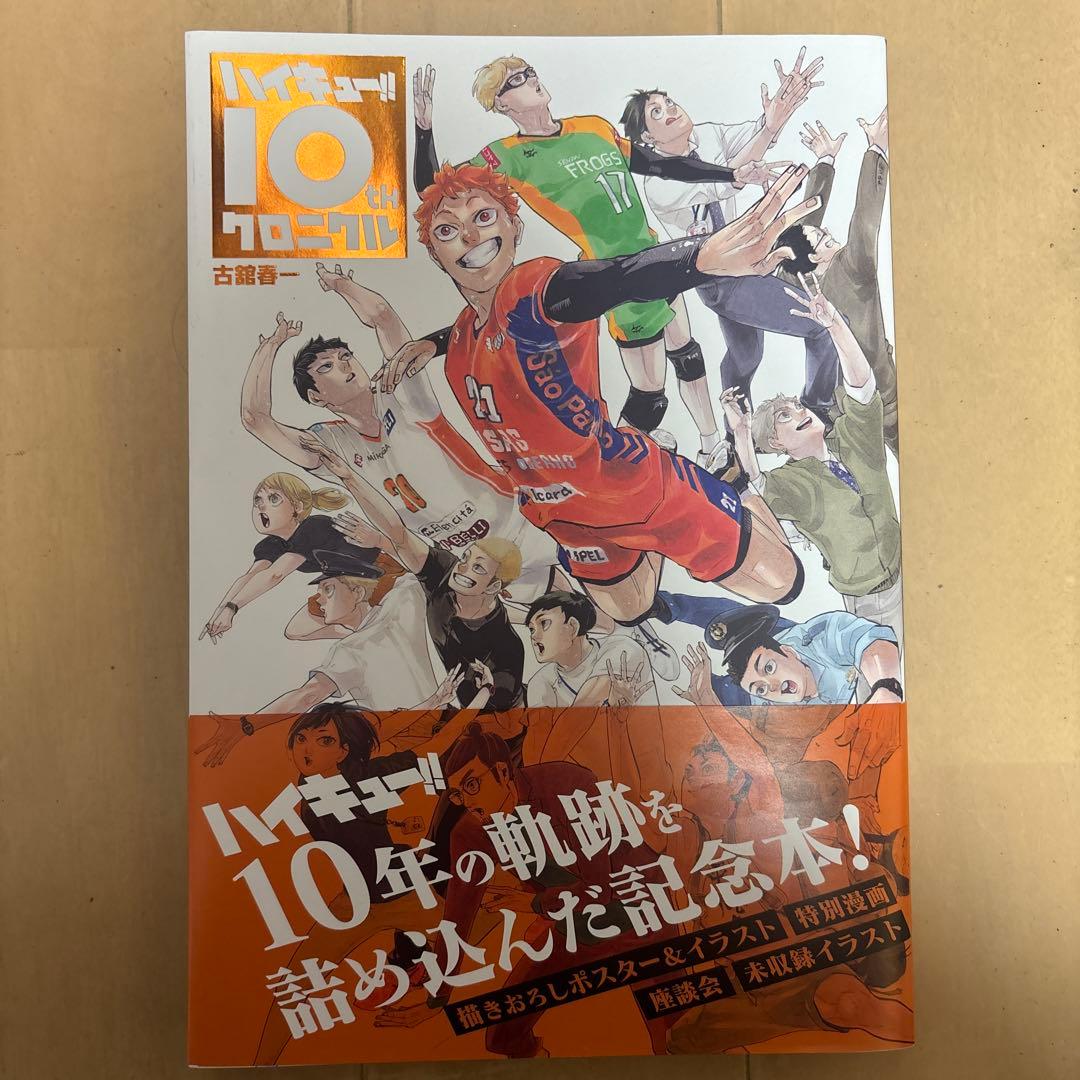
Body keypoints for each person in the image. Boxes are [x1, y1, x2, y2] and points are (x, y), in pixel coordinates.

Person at [376, 161, 819, 627]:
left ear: (515, 228)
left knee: (783, 585)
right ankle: (661, 525)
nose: (469, 236)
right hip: (566, 515)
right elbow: (487, 335)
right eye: (448, 230)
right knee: (631, 610)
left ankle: (733, 485)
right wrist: (432, 342)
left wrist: (698, 257)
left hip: (638, 488)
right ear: (435, 255)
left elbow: (617, 278)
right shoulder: (462, 337)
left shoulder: (534, 290)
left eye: (483, 217)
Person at [410, 60, 790, 458]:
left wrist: (730, 175)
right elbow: (437, 192)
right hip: (615, 278)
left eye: (529, 71)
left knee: (688, 354)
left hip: (655, 255)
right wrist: (423, 130)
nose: (531, 79)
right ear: (502, 104)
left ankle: (710, 446)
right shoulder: (508, 156)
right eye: (516, 80)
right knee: (650, 398)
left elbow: (658, 164)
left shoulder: (591, 126)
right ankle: (612, 458)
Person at [238, 264, 556, 604]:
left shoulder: (399, 392)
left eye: (346, 356)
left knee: (593, 597)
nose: (344, 364)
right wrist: (271, 345)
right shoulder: (329, 445)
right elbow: (255, 419)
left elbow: (384, 318)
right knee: (566, 618)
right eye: (326, 367)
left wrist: (343, 285)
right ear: (316, 397)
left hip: (520, 519)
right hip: (473, 558)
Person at [247, 700, 500, 1065]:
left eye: (323, 740)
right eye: (301, 738)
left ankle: (421, 959)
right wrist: (394, 824)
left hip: (405, 891)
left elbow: (434, 745)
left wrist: (476, 701)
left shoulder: (370, 777)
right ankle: (260, 1065)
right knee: (297, 982)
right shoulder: (309, 784)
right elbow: (354, 822)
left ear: (343, 751)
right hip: (353, 903)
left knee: (487, 915)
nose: (306, 748)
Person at [623, 70, 843, 438]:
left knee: (745, 357)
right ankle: (820, 412)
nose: (670, 110)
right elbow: (720, 181)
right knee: (823, 326)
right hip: (721, 280)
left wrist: (770, 125)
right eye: (656, 112)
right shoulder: (658, 185)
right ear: (647, 138)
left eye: (668, 102)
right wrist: (743, 170)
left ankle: (734, 438)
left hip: (749, 261)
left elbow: (750, 141)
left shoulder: (707, 135)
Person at [727, 272, 903, 647]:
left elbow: (862, 387)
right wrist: (742, 434)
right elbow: (757, 490)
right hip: (871, 601)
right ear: (775, 442)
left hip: (912, 569)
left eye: (797, 405)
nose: (799, 411)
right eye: (784, 415)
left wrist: (834, 324)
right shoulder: (791, 483)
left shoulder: (852, 437)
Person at [304, 432, 527, 717]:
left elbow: (494, 715)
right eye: (466, 558)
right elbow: (399, 534)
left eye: (478, 568)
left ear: (493, 586)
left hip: (501, 722)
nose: (463, 567)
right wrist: (349, 478)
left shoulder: (506, 649)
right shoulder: (445, 572)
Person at [192, 550, 465, 768]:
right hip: (454, 724)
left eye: (327, 589)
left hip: (413, 744)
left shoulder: (350, 651)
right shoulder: (403, 598)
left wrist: (246, 726)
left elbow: (307, 694)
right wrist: (345, 617)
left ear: (358, 592)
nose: (318, 599)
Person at [775, 106, 899, 453]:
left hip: (848, 414)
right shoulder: (852, 268)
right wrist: (876, 151)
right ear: (815, 258)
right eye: (824, 239)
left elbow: (801, 234)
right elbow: (865, 217)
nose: (829, 233)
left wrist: (826, 162)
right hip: (884, 404)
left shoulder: (797, 280)